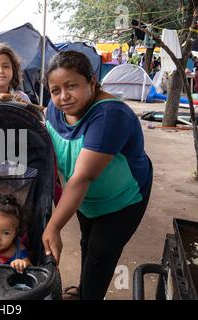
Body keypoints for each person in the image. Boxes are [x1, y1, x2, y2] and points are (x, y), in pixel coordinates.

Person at [42, 51, 153, 300]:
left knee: (100, 254)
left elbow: (82, 178)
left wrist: (54, 227)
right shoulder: (54, 107)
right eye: (55, 90)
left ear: (92, 81)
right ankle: (85, 291)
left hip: (123, 199)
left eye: (72, 86)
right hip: (86, 200)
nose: (63, 96)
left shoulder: (110, 116)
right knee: (87, 243)